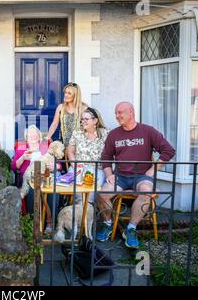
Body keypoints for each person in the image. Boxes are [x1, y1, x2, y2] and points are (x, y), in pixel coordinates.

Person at [96, 102, 175, 249]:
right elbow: (106, 157)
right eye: (116, 113)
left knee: (146, 192)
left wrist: (153, 170)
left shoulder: (147, 131)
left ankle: (131, 229)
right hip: (121, 176)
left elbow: (168, 151)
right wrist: (109, 174)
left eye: (120, 113)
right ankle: (107, 224)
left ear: (131, 112)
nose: (117, 116)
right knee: (102, 194)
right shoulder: (114, 134)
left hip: (142, 176)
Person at [11, 125, 60, 233]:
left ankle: (50, 224)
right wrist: (23, 157)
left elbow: (59, 165)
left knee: (53, 193)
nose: (32, 136)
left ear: (39, 137)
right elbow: (14, 167)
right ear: (26, 137)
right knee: (32, 192)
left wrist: (55, 166)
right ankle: (34, 223)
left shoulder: (46, 147)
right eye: (30, 134)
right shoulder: (22, 148)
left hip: (47, 178)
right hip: (30, 180)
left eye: (35, 133)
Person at [68, 107, 109, 192]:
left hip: (97, 169)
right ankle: (79, 204)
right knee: (75, 188)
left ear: (95, 121)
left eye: (86, 119)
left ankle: (88, 204)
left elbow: (111, 152)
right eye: (82, 119)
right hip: (78, 167)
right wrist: (75, 165)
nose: (83, 121)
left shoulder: (105, 133)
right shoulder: (77, 133)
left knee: (93, 189)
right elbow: (70, 152)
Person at [46, 82, 89, 161]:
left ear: (75, 95)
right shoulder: (61, 107)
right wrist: (48, 137)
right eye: (65, 92)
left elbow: (88, 125)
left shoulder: (83, 108)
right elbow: (55, 124)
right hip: (63, 143)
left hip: (79, 143)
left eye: (69, 93)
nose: (66, 95)